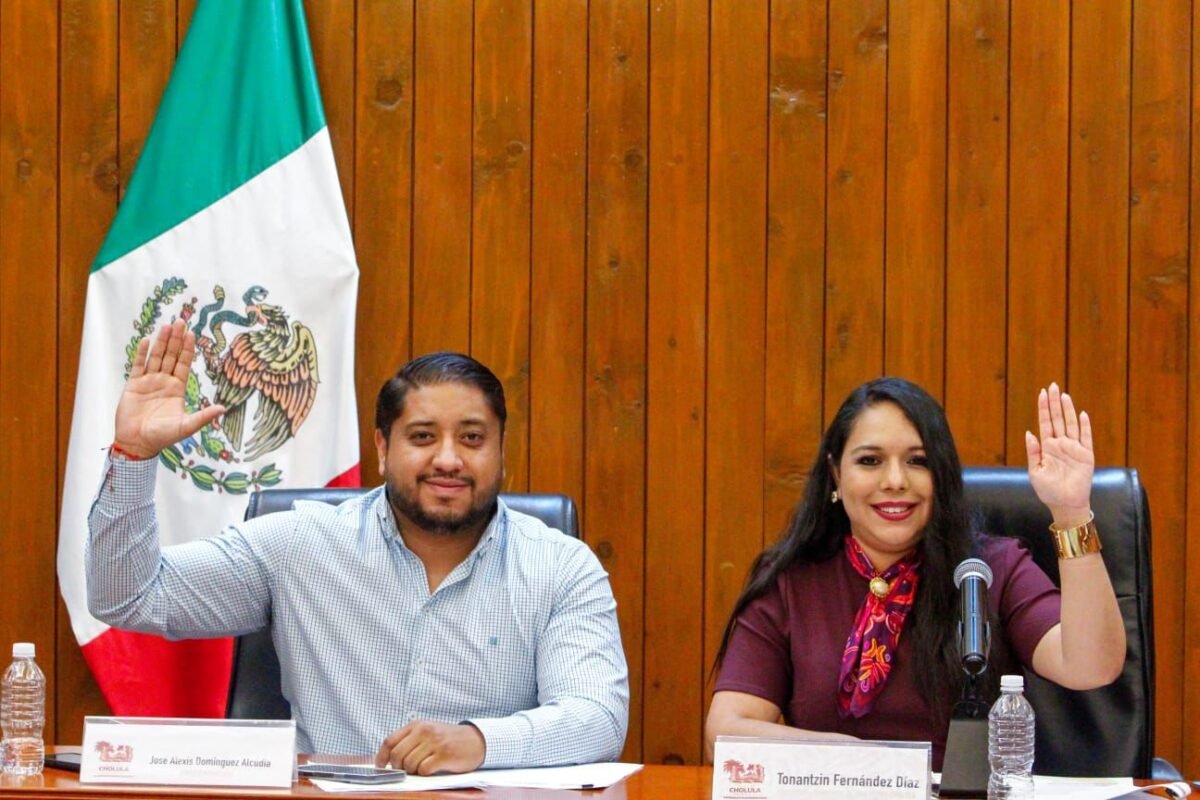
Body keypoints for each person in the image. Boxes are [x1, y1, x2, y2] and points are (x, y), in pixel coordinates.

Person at [86, 320, 629, 774]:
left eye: (472, 438)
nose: (448, 459)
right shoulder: (300, 545)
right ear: (383, 449)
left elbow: (598, 718)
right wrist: (134, 457)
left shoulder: (559, 565)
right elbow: (130, 597)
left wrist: (479, 742)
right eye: (422, 437)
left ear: (501, 449)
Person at [705, 377, 1125, 769]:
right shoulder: (792, 580)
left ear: (941, 476)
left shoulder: (989, 570)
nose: (894, 480)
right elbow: (725, 733)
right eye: (870, 461)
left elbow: (1091, 666)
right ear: (835, 474)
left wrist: (1071, 513)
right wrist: (862, 765)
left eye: (918, 461)